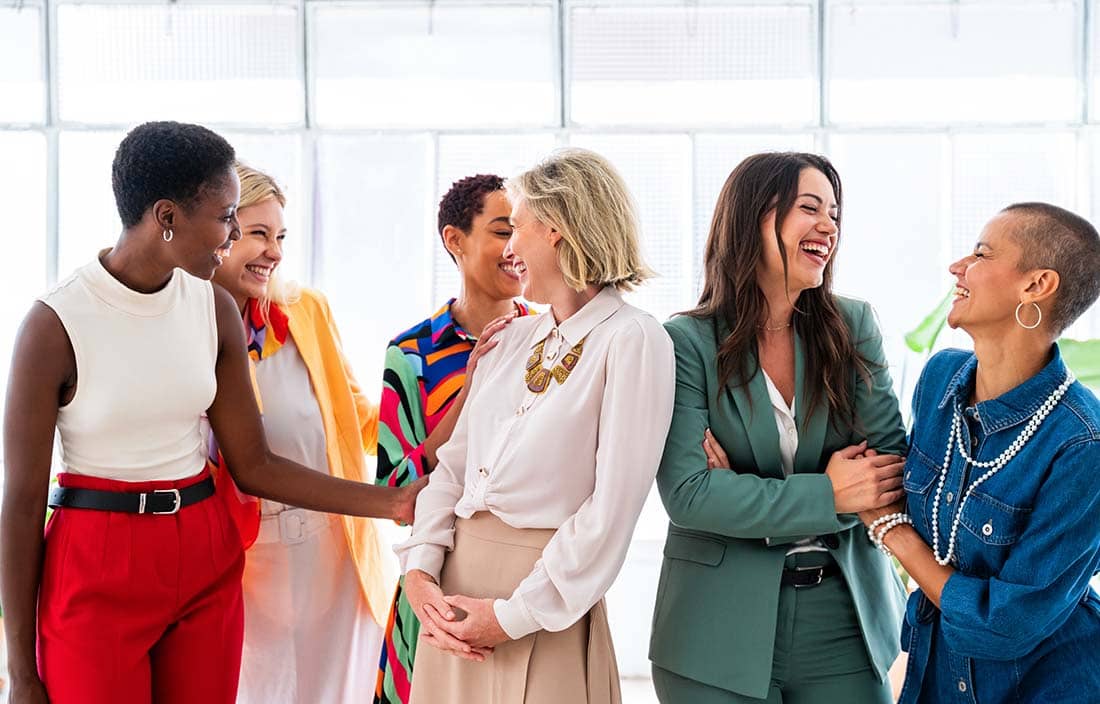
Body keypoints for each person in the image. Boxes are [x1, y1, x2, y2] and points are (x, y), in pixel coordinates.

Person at [0, 121, 421, 704]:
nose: (231, 234)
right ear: (168, 217)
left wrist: (390, 502)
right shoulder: (54, 325)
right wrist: (20, 672)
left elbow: (256, 465)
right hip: (95, 557)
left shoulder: (213, 308)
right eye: (226, 217)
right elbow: (20, 503)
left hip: (203, 554)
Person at [397, 148, 675, 704]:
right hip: (451, 600)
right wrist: (421, 573)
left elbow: (611, 510)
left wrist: (512, 617)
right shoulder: (510, 340)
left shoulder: (634, 340)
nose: (510, 247)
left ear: (559, 229)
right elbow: (451, 470)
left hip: (542, 601)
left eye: (516, 228)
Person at [650, 152, 909, 703]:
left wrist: (742, 490)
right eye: (809, 208)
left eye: (834, 214)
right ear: (753, 219)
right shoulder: (685, 343)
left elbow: (889, 469)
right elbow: (690, 496)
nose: (828, 226)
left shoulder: (854, 326)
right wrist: (833, 491)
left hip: (844, 618)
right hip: (713, 628)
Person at [859, 203, 1100, 702]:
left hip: (1047, 685)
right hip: (937, 675)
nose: (957, 267)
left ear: (1036, 286)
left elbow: (1005, 625)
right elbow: (887, 479)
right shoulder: (941, 379)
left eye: (981, 253)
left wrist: (894, 533)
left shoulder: (1083, 443)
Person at [208, 163, 389, 703]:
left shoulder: (305, 312)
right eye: (259, 234)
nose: (276, 252)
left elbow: (357, 419)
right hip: (238, 565)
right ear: (217, 235)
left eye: (280, 236)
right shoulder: (182, 327)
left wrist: (438, 406)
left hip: (332, 555)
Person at [374, 174, 532, 704]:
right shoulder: (413, 353)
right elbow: (397, 490)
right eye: (500, 230)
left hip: (527, 585)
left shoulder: (555, 338)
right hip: (433, 578)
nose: (516, 247)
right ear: (455, 240)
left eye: (524, 229)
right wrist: (475, 390)